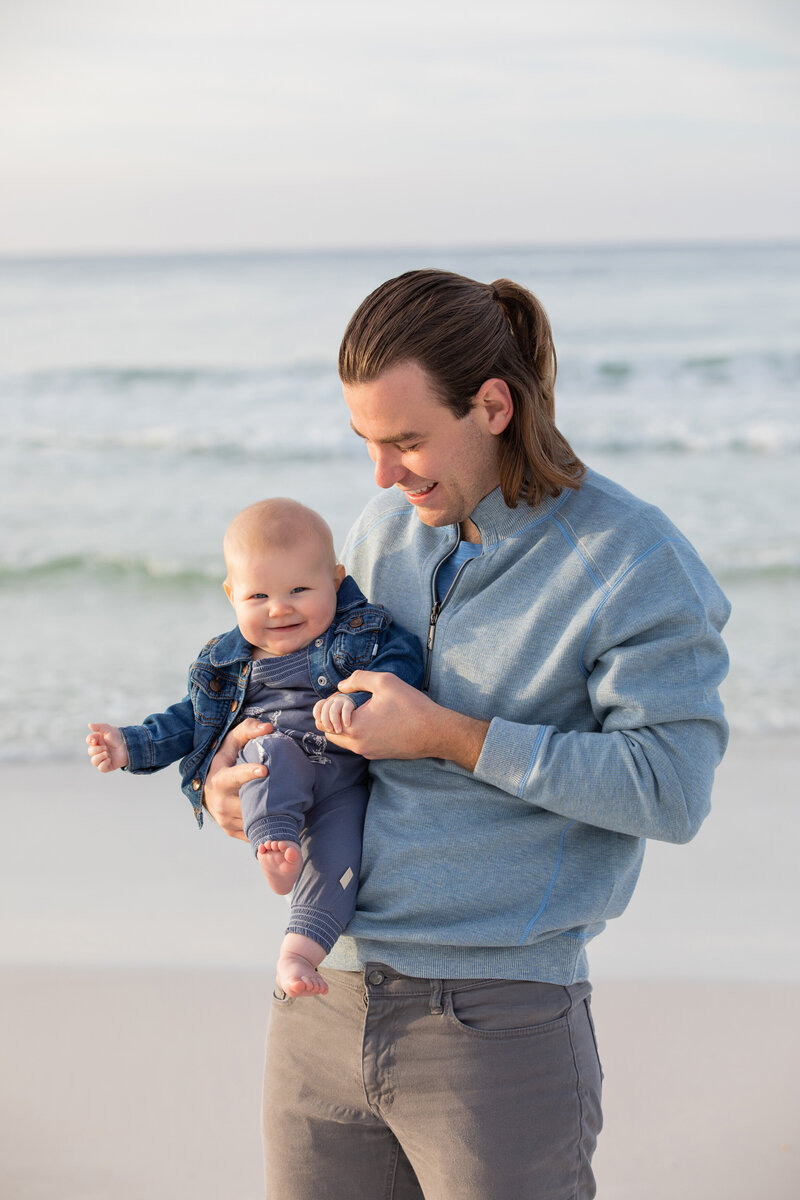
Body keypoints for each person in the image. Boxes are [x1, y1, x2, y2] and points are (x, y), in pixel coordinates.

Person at [203, 270, 731, 1199]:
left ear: (492, 405)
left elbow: (671, 790)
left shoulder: (632, 561)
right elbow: (293, 698)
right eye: (367, 442)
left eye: (406, 441)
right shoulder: (376, 534)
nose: (381, 475)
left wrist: (453, 735)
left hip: (496, 1027)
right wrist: (226, 776)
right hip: (324, 998)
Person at [86, 497, 424, 997]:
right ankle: (274, 841)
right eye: (258, 595)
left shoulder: (358, 635)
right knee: (269, 753)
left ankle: (298, 952)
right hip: (276, 767)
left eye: (299, 589)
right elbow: (187, 722)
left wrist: (358, 694)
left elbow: (404, 659)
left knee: (340, 855)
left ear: (335, 580)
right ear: (231, 594)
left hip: (343, 783)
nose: (279, 607)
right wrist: (130, 746)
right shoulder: (223, 668)